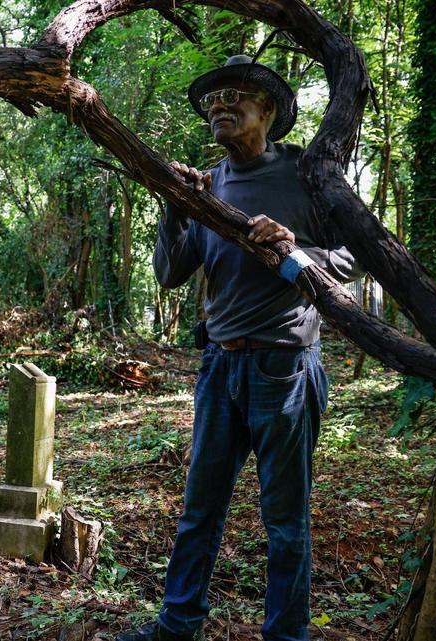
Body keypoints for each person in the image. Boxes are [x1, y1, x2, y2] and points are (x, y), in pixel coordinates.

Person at [118, 55, 362, 641]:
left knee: (285, 521)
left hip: (284, 368)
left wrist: (294, 250)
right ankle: (177, 625)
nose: (218, 107)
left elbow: (356, 256)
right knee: (199, 510)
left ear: (267, 109)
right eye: (212, 100)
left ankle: (286, 636)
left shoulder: (307, 174)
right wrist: (176, 207)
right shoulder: (209, 185)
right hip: (219, 366)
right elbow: (170, 274)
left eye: (233, 96)